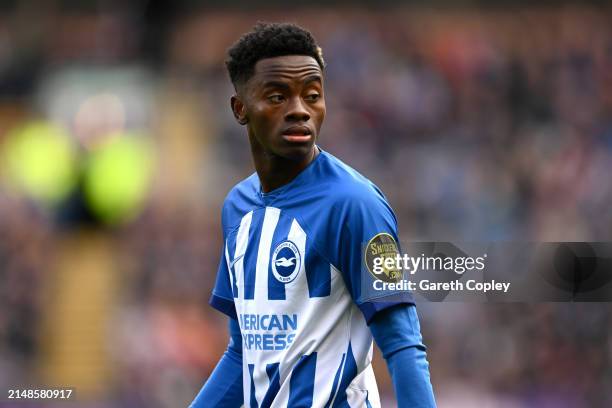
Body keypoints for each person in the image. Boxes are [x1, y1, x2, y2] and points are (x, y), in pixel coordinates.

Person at [190, 22, 436, 407]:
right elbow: (243, 356)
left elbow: (403, 346)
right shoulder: (237, 208)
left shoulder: (355, 205)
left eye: (312, 95)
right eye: (277, 97)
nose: (300, 111)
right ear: (240, 109)